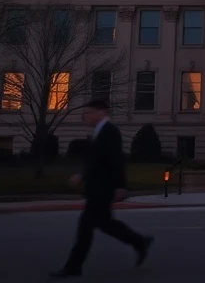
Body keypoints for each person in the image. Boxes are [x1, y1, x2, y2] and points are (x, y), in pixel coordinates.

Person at [50, 99, 153, 277]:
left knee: (85, 226)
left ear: (102, 112)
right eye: (86, 113)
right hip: (98, 186)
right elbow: (97, 160)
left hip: (103, 188)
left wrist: (120, 185)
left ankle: (73, 266)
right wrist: (84, 176)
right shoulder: (99, 131)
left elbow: (116, 159)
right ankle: (140, 242)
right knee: (105, 224)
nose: (86, 116)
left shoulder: (110, 131)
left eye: (89, 112)